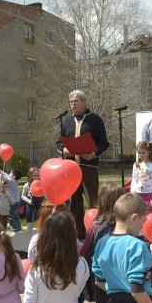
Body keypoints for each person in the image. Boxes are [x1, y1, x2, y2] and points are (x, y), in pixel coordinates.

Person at [79, 182, 124, 303]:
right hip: (125, 283)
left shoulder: (96, 227)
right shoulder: (127, 224)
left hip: (103, 284)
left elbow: (85, 253)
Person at [56, 90, 110, 240]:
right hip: (71, 168)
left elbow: (104, 143)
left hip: (89, 167)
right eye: (71, 101)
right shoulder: (66, 121)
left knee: (92, 200)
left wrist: (94, 154)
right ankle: (79, 233)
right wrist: (64, 150)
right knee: (75, 202)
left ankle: (95, 232)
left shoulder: (95, 120)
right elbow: (59, 143)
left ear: (84, 102)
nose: (73, 104)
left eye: (76, 101)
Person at [130, 141, 152, 211]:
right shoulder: (136, 165)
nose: (141, 155)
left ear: (149, 151)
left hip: (149, 195)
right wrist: (133, 193)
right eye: (139, 153)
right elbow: (134, 179)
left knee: (150, 213)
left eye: (143, 152)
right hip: (138, 195)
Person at [0, 167, 22, 233]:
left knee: (11, 217)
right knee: (16, 215)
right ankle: (19, 227)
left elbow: (2, 177)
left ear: (13, 176)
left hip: (13, 202)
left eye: (10, 173)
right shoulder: (14, 181)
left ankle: (16, 229)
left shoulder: (10, 181)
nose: (9, 174)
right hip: (17, 201)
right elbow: (5, 174)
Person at [22, 167, 43, 234]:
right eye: (34, 176)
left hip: (40, 205)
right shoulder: (27, 185)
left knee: (41, 221)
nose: (36, 177)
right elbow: (23, 195)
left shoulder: (42, 184)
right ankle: (29, 235)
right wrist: (28, 201)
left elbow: (45, 195)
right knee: (30, 222)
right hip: (30, 206)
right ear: (31, 176)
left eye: (37, 175)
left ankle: (40, 236)